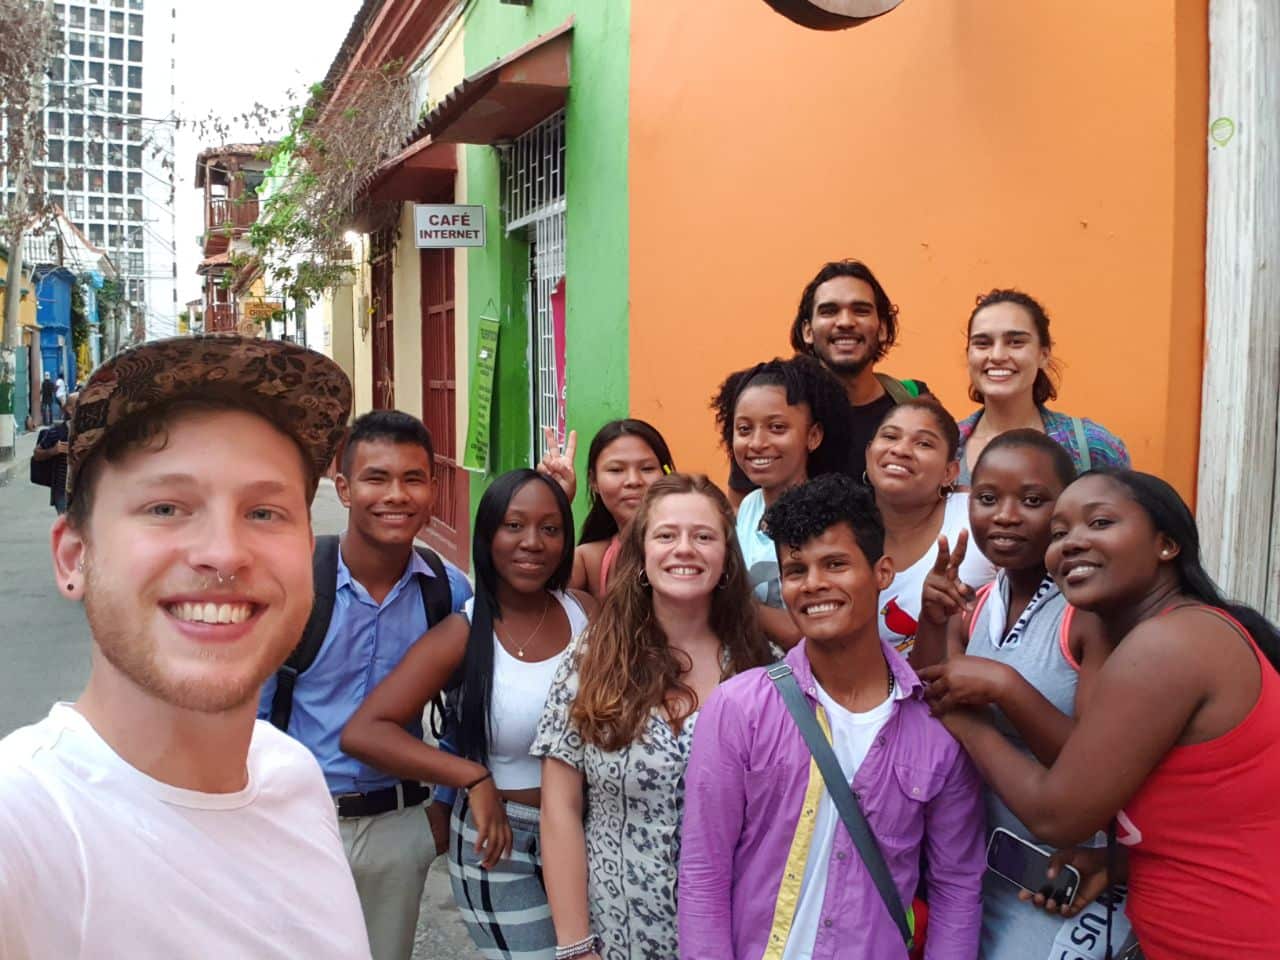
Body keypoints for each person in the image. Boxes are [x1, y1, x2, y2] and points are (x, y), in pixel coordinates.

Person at [0, 335, 370, 958]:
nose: (223, 553)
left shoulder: (294, 777)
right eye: (166, 507)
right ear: (74, 556)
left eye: (264, 512)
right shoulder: (25, 825)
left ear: (308, 551)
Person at [929, 470, 1280, 958]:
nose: (1071, 543)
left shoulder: (1168, 647)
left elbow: (1057, 814)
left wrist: (966, 719)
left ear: (1166, 545)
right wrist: (1118, 864)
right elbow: (1212, 818)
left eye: (1099, 522)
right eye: (1059, 533)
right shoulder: (1170, 637)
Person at [679, 473, 985, 959]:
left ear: (882, 572)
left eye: (836, 564)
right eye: (796, 570)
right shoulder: (738, 708)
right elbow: (703, 874)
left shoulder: (937, 727)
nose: (814, 584)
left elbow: (957, 889)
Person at [341, 469, 595, 960]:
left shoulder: (588, 613)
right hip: (501, 842)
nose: (532, 543)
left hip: (587, 829)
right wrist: (471, 777)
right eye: (513, 525)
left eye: (550, 528)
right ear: (487, 536)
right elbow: (366, 731)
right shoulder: (465, 630)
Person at [255, 410, 472, 960]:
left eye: (412, 479)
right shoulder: (296, 582)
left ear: (433, 489)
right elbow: (245, 717)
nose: (395, 495)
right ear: (345, 487)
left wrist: (440, 812)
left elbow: (466, 712)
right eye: (377, 478)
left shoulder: (447, 591)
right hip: (291, 823)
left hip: (397, 827)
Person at [913, 431, 1135, 958]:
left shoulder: (1088, 614)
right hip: (983, 871)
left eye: (1033, 501)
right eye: (988, 499)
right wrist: (931, 617)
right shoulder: (981, 601)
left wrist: (1005, 688)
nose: (1007, 516)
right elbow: (929, 697)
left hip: (1070, 882)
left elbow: (1095, 768)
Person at [533, 473, 773, 960]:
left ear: (726, 558)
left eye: (703, 536)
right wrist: (576, 946)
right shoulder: (592, 660)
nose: (684, 549)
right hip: (618, 937)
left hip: (736, 939)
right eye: (666, 535)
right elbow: (559, 808)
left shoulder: (762, 667)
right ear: (641, 555)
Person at [727, 259, 929, 504]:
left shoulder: (912, 402)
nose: (845, 322)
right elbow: (741, 515)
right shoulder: (772, 410)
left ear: (883, 328)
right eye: (829, 311)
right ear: (807, 331)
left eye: (861, 310)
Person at [713, 355, 853, 649]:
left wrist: (723, 596)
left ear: (813, 436)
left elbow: (804, 632)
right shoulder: (749, 507)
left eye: (777, 428)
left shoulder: (830, 517)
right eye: (744, 429)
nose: (757, 443)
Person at [956, 289, 1129, 487]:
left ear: (1043, 355)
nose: (997, 355)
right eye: (983, 343)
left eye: (1015, 342)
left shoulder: (1092, 446)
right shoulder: (945, 449)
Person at [864, 396, 995, 659]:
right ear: (868, 453)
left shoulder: (979, 517)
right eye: (890, 437)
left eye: (923, 443)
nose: (900, 450)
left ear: (949, 472)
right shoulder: (844, 529)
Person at [569, 419, 676, 599]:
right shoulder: (589, 561)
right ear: (593, 481)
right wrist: (558, 500)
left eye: (647, 468)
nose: (633, 481)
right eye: (616, 470)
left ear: (667, 475)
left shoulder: (688, 549)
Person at [32, 391, 76, 514]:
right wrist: (53, 451)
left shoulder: (94, 432)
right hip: (63, 492)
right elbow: (37, 454)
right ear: (70, 410)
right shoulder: (57, 432)